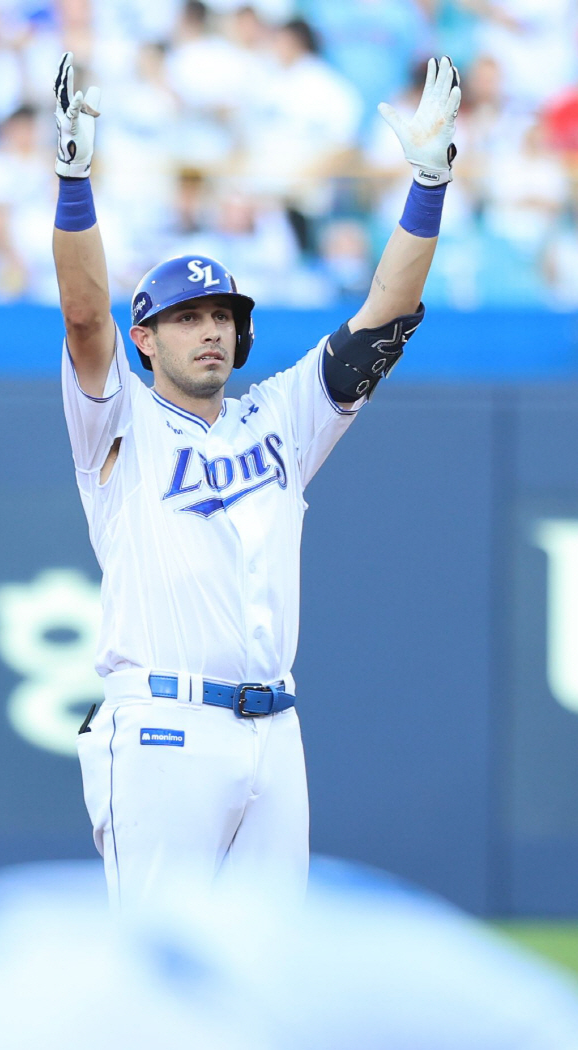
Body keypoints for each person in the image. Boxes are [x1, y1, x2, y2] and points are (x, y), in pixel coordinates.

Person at [52, 51, 460, 907]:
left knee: (266, 991)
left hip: (276, 734)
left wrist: (427, 185)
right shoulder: (114, 420)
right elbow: (85, 314)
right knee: (160, 998)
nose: (209, 331)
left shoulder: (281, 415)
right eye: (186, 318)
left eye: (222, 318)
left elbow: (383, 316)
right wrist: (73, 179)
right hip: (162, 728)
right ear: (147, 341)